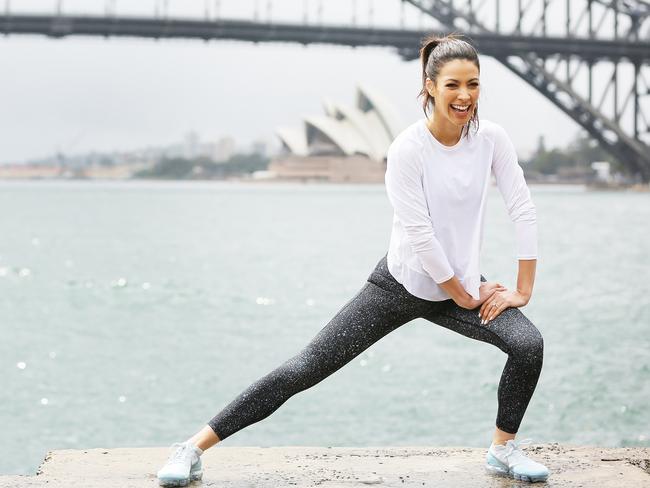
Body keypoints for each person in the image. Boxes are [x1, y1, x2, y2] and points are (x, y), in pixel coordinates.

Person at [156, 34, 550, 485]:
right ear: (430, 87)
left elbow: (521, 207)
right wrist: (463, 295)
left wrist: (523, 288)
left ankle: (502, 450)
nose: (464, 96)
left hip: (458, 286)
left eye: (474, 85)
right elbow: (421, 237)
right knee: (304, 369)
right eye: (453, 86)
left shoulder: (492, 140)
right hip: (401, 285)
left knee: (527, 345)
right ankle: (191, 448)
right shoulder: (407, 149)